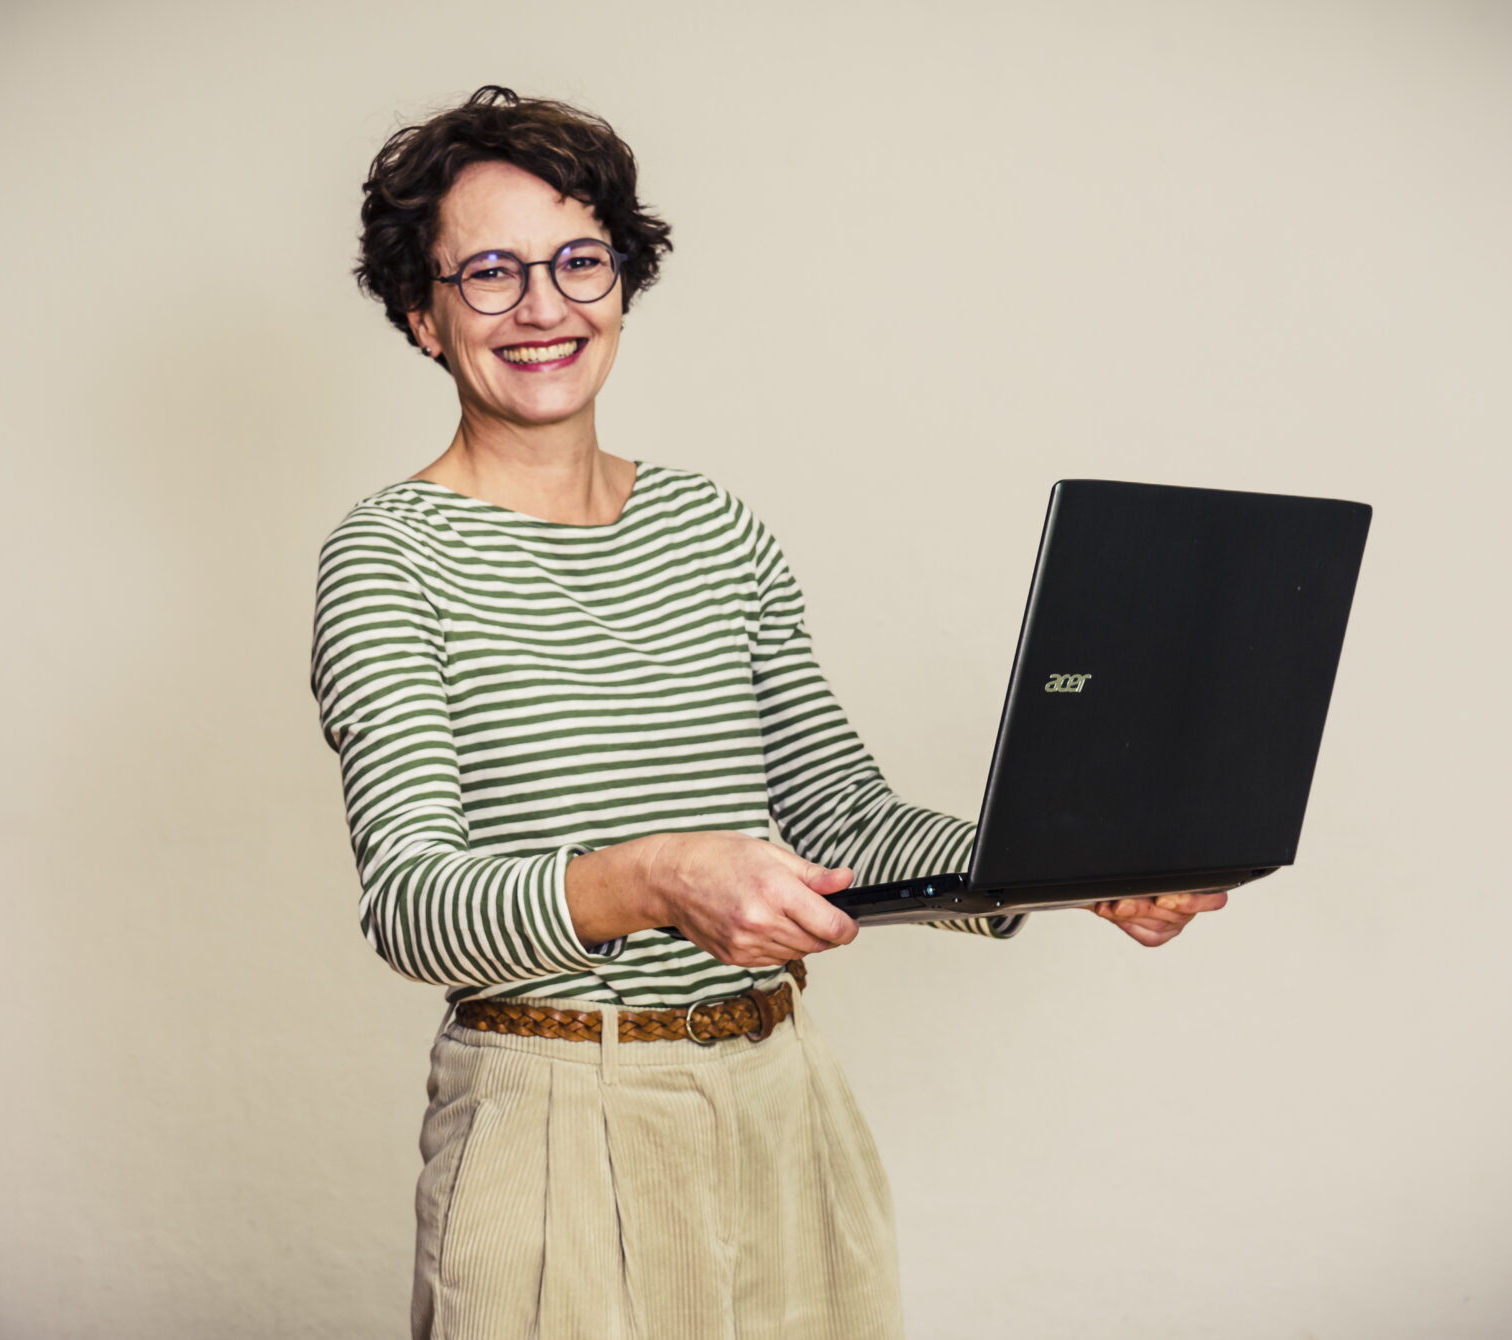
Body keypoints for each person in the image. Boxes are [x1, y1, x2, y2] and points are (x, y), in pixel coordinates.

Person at [312, 85, 1227, 1340]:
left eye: (580, 259)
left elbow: (836, 809)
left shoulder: (712, 525)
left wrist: (1067, 868)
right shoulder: (388, 556)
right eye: (489, 273)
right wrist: (652, 876)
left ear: (623, 281)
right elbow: (415, 904)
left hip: (786, 1100)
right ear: (421, 315)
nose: (544, 306)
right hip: (554, 1119)